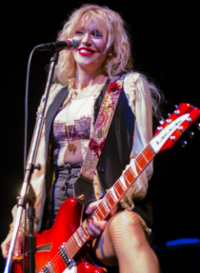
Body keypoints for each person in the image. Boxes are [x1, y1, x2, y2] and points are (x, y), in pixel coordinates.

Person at [1, 4, 162, 273]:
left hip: (104, 213)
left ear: (112, 46)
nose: (86, 40)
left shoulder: (129, 87)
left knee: (127, 225)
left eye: (97, 34)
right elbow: (35, 175)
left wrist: (113, 203)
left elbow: (141, 161)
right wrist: (18, 227)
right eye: (79, 32)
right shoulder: (53, 96)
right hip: (53, 225)